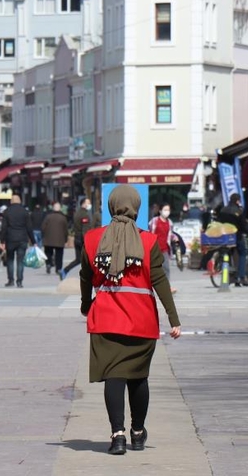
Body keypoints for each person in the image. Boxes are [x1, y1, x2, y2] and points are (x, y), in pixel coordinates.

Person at [79, 184, 181, 456]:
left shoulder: (92, 239)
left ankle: (117, 436)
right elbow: (159, 279)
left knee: (114, 375)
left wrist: (85, 304)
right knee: (138, 378)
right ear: (136, 206)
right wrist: (174, 319)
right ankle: (138, 432)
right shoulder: (148, 241)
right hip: (142, 320)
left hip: (106, 319)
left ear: (111, 205)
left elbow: (85, 277)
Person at [217, 193, 248, 287]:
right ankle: (241, 276)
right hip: (236, 236)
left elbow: (218, 221)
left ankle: (231, 277)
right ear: (237, 201)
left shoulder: (223, 210)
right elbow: (243, 225)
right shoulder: (238, 211)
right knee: (242, 254)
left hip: (225, 237)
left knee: (229, 254)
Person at [0, 194, 35, 288]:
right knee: (20, 261)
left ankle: (10, 280)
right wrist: (33, 241)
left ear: (11, 201)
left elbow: (4, 228)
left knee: (10, 260)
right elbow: (29, 228)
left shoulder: (6, 212)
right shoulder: (25, 212)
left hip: (10, 239)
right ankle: (19, 281)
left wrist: (2, 241)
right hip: (22, 239)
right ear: (20, 201)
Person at [63, 198, 101, 279]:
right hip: (82, 240)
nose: (89, 204)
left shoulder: (77, 213)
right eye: (88, 202)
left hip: (77, 238)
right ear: (83, 204)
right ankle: (93, 276)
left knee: (79, 260)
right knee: (91, 258)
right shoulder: (84, 215)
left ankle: (65, 270)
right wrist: (87, 242)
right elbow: (85, 230)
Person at [148, 203, 177, 293]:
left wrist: (175, 238)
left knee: (166, 268)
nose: (167, 212)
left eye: (168, 210)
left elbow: (170, 234)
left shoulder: (170, 222)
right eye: (165, 210)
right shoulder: (154, 221)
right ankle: (148, 287)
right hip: (154, 248)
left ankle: (167, 287)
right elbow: (149, 232)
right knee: (152, 268)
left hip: (165, 248)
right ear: (160, 211)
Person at [41, 202, 69, 278]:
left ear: (53, 208)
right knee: (59, 254)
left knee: (48, 253)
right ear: (60, 209)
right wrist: (66, 239)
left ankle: (48, 264)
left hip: (48, 239)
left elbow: (43, 227)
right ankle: (58, 268)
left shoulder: (48, 217)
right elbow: (65, 230)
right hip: (60, 239)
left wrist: (44, 235)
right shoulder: (63, 218)